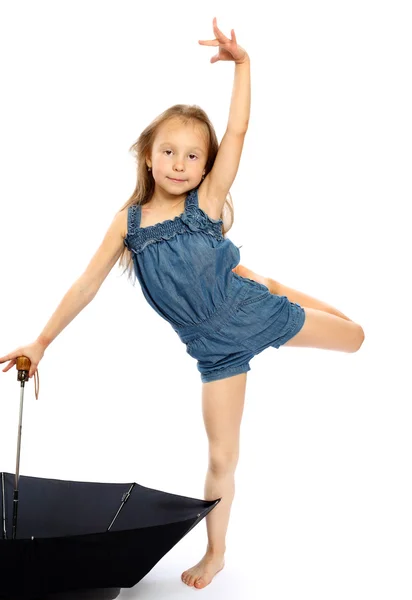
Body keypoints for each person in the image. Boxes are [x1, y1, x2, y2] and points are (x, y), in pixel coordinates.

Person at [0, 17, 365, 590]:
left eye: (193, 157)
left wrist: (244, 65)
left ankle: (265, 282)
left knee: (357, 337)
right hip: (215, 352)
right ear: (147, 155)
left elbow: (239, 132)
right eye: (168, 151)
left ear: (205, 166)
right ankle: (215, 552)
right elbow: (85, 285)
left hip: (257, 311)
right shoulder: (130, 223)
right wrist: (41, 341)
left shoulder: (207, 203)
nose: (178, 163)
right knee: (222, 458)